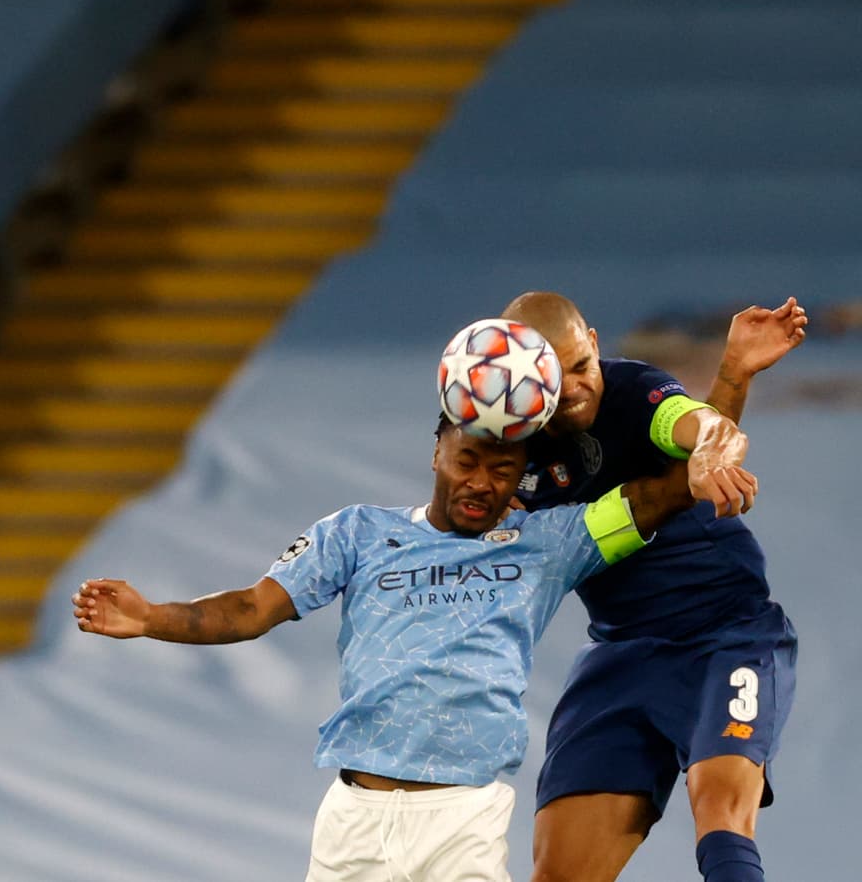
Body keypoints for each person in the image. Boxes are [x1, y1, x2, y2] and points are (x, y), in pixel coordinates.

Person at [73, 398, 759, 882]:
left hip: (461, 816)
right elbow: (255, 606)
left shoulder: (548, 541)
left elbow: (662, 492)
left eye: (501, 471)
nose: (480, 484)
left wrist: (719, 410)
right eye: (467, 461)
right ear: (436, 451)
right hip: (355, 819)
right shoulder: (358, 533)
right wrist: (151, 617)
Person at [500, 293, 807, 882]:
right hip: (621, 657)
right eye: (551, 376)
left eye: (581, 365)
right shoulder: (509, 444)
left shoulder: (634, 389)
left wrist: (720, 424)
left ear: (593, 339)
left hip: (730, 636)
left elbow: (701, 427)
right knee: (559, 873)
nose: (574, 387)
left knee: (719, 810)